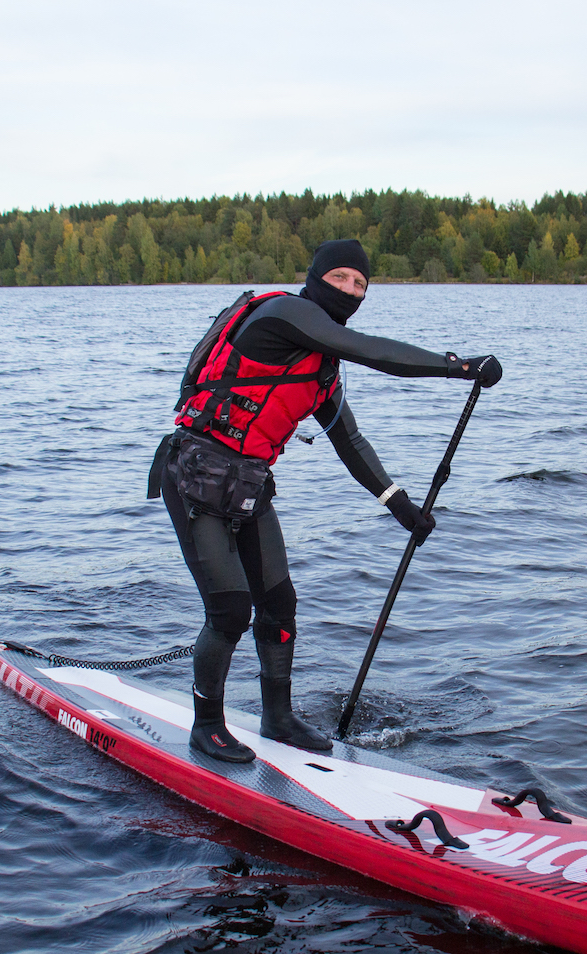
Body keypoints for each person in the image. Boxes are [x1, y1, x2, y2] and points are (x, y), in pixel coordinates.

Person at [151, 239, 502, 764]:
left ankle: (279, 718)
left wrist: (397, 503)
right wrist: (457, 367)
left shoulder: (321, 372)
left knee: (280, 605)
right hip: (194, 474)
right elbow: (371, 350)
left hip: (248, 483)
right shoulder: (284, 314)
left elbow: (350, 442)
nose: (350, 290)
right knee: (229, 611)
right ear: (315, 278)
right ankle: (207, 726)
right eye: (340, 278)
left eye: (360, 284)